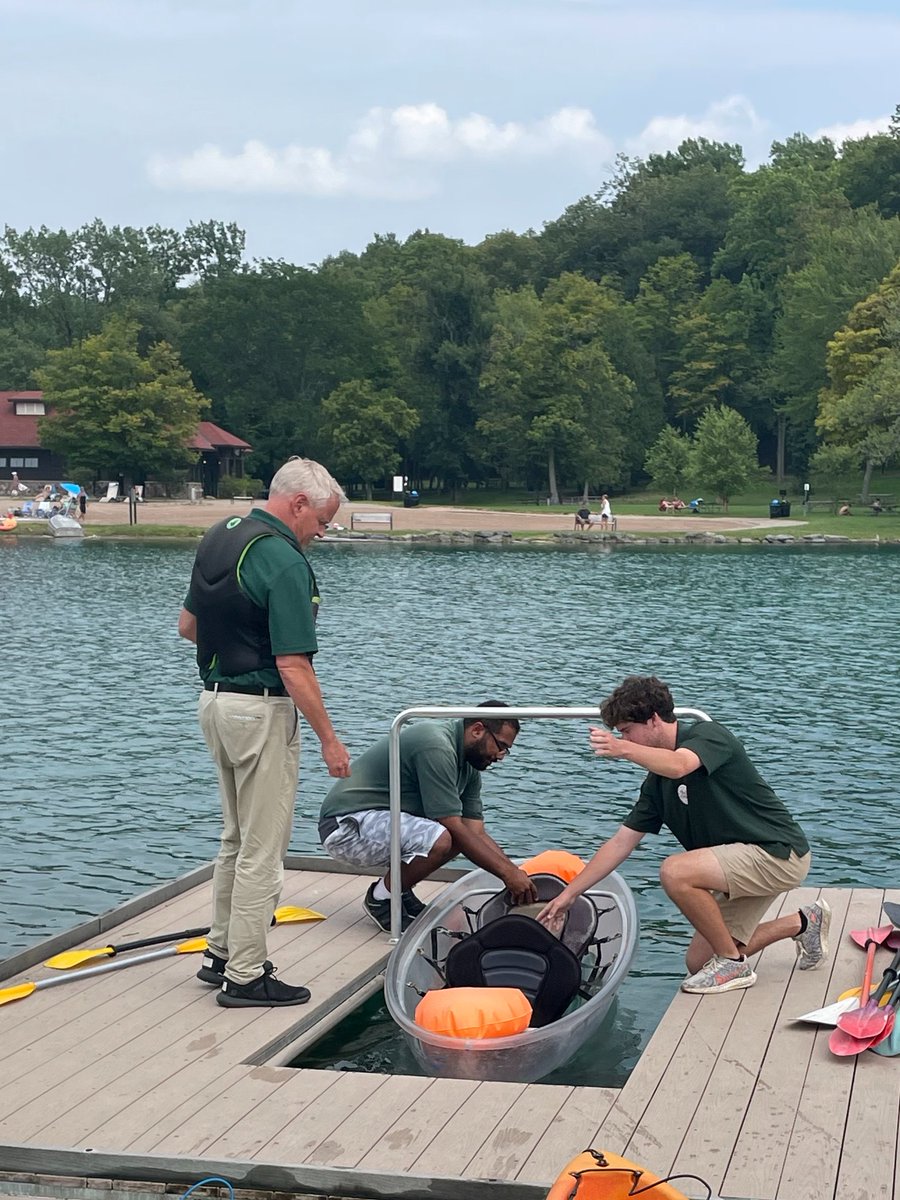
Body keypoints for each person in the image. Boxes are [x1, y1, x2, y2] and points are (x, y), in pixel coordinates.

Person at [178, 456, 352, 1009]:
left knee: (234, 839)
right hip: (260, 712)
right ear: (298, 503)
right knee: (263, 849)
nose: (321, 534)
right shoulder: (283, 559)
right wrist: (329, 738)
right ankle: (246, 975)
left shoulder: (220, 536)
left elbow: (188, 628)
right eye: (321, 522)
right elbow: (294, 664)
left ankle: (221, 952)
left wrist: (235, 649)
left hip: (214, 703)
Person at [538, 676, 828, 995]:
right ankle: (803, 922)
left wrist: (623, 750)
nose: (624, 738)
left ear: (653, 720)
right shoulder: (655, 785)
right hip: (738, 862)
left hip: (777, 854)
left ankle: (733, 966)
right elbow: (620, 843)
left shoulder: (708, 735)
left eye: (627, 731)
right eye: (621, 735)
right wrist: (568, 896)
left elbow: (680, 765)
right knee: (699, 962)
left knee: (675, 871)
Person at [318, 701, 539, 933]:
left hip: (376, 823)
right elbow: (454, 827)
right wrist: (507, 874)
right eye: (501, 746)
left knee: (458, 835)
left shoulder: (470, 766)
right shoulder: (436, 746)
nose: (501, 756)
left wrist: (515, 872)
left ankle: (398, 891)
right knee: (444, 837)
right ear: (477, 730)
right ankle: (381, 898)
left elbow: (476, 832)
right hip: (344, 828)